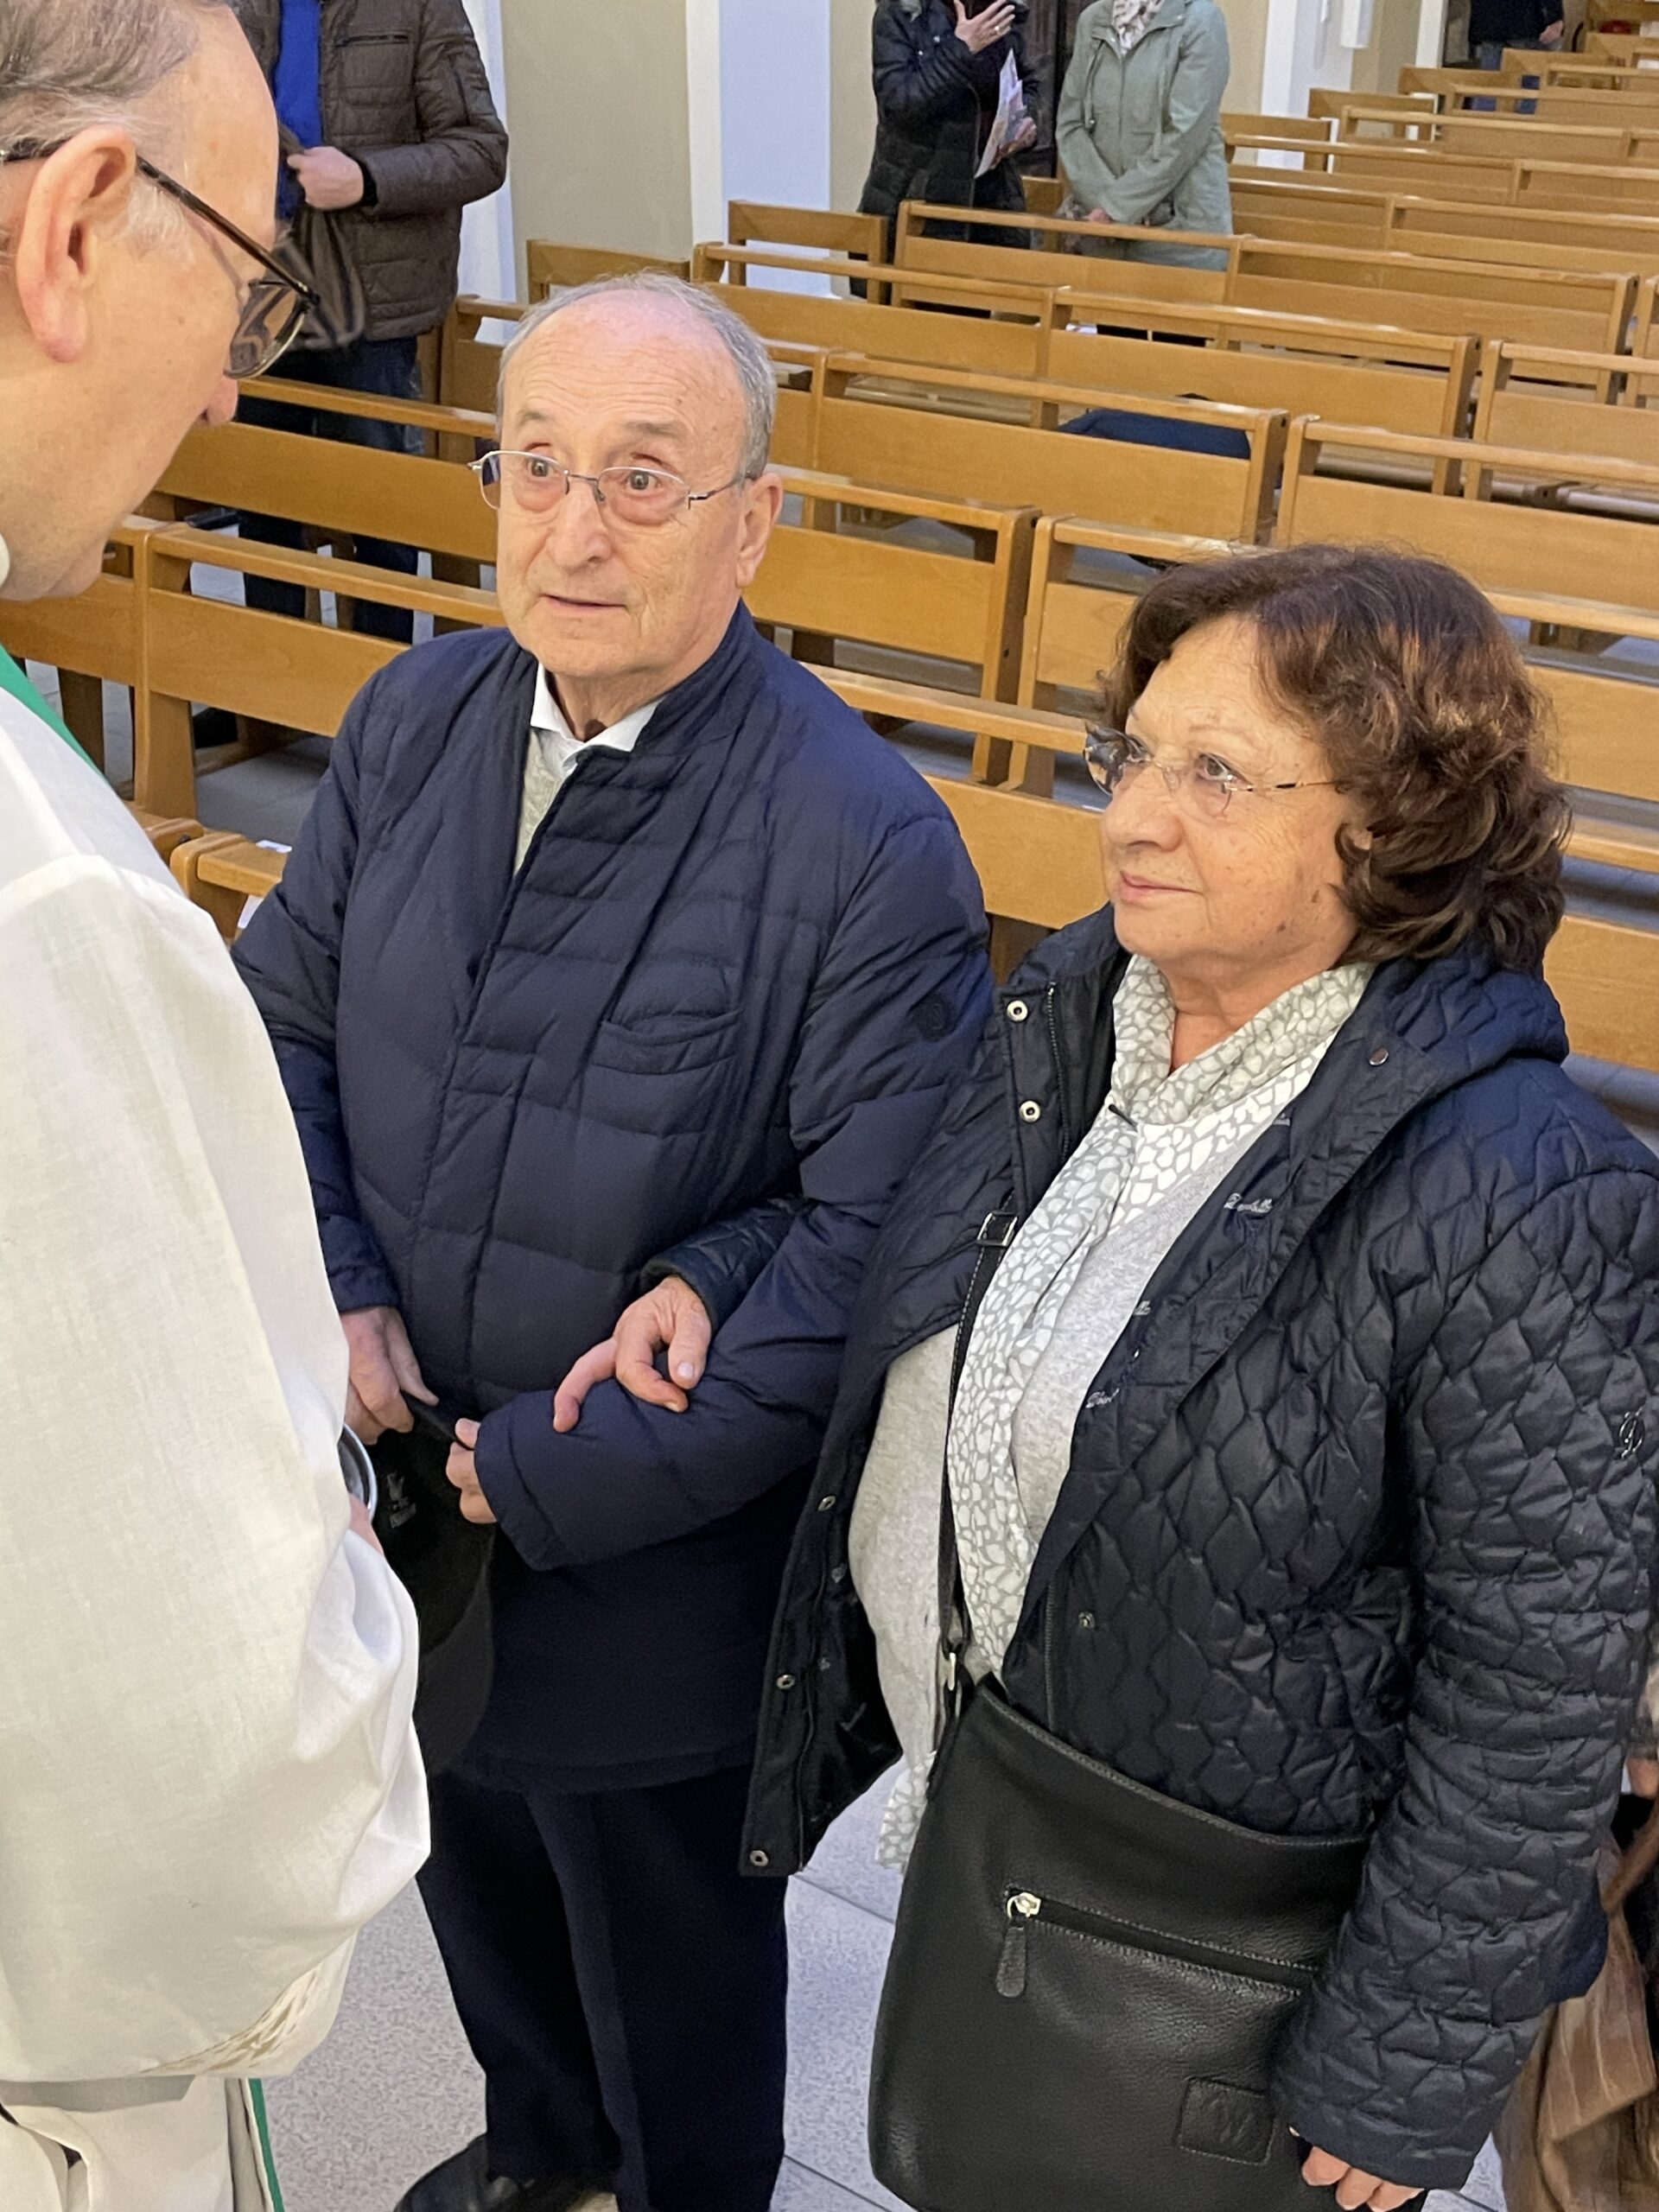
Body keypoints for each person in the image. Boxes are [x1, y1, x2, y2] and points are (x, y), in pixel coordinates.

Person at [576, 545, 1659, 2209]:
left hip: (1215, 1943)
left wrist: (1405, 2061)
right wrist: (715, 1278)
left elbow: (1538, 1687)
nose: (1133, 816)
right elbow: (915, 1221)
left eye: (1215, 774)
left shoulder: (1522, 1188)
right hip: (1012, 1837)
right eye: (1133, 754)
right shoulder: (1080, 1015)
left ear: (1399, 826)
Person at [232, 272, 991, 2212]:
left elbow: (874, 1237)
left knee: (668, 1964)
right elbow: (284, 1026)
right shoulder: (415, 716)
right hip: (408, 1483)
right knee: (472, 1870)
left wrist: (572, 1464)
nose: (574, 529)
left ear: (754, 520)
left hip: (651, 1543)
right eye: (538, 466)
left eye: (642, 478)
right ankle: (543, 2149)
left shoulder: (863, 838)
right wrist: (339, 1286)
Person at [0, 4, 428, 2209]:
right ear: (76, 225)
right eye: (244, 287)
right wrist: (331, 1577)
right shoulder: (43, 904)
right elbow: (206, 1799)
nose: (230, 391)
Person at [228, 0, 507, 644]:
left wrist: (366, 177)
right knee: (263, 501)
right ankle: (270, 678)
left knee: (380, 508)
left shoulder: (419, 7)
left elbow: (481, 150)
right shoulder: (233, 8)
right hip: (256, 288)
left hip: (375, 306)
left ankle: (386, 674)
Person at [1058, 0, 1232, 271]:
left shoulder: (1201, 21)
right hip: (1099, 231)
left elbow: (1186, 134)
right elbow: (1070, 124)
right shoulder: (1093, 19)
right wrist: (1104, 205)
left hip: (1177, 236)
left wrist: (1119, 207)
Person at [860, 0, 1039, 257]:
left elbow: (1030, 83)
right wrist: (961, 50)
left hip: (994, 201)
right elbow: (898, 104)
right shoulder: (901, 12)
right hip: (919, 199)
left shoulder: (1004, 9)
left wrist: (1026, 121)